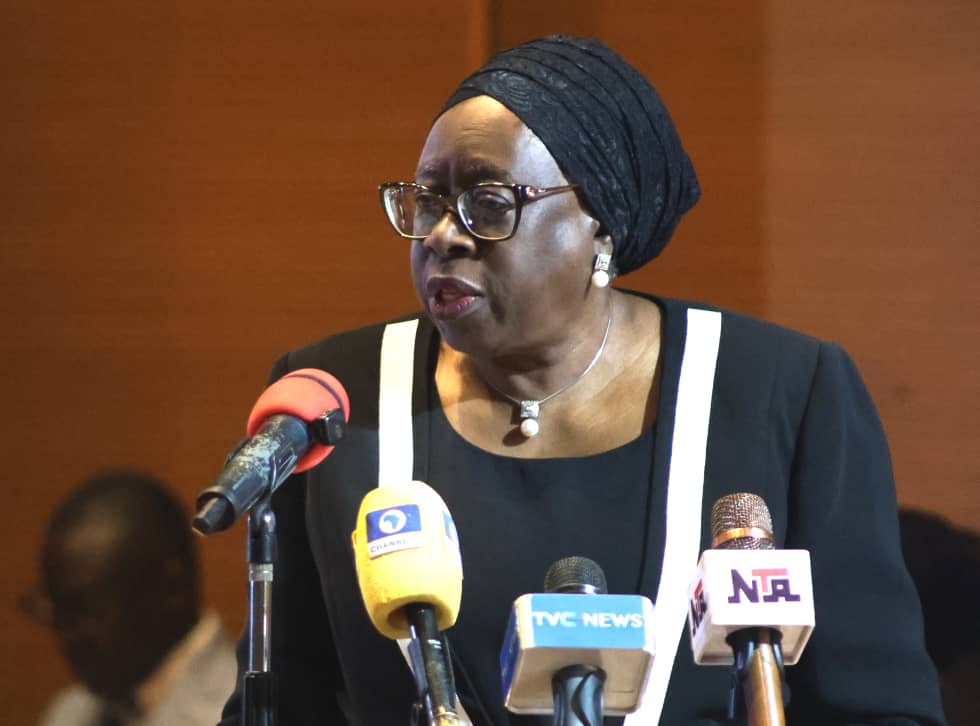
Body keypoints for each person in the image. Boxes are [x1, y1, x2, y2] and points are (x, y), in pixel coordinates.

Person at [218, 36, 946, 725]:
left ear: (600, 220)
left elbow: (879, 706)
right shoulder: (339, 403)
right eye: (429, 201)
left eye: (489, 203)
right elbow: (286, 702)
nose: (443, 235)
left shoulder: (780, 392)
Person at [22, 469, 237, 726]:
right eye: (56, 610)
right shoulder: (70, 712)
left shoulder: (248, 712)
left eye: (82, 609)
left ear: (170, 589)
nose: (65, 635)